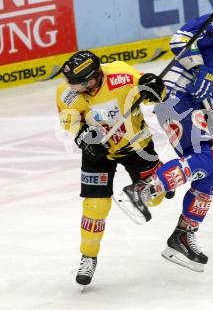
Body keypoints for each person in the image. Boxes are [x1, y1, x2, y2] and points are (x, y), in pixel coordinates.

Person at [123, 0, 213, 272]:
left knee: (211, 174)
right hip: (175, 96)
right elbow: (179, 39)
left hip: (197, 107)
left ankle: (183, 235)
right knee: (202, 159)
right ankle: (143, 189)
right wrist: (199, 69)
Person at [56, 50, 167, 286]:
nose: (72, 88)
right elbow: (70, 121)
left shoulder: (121, 75)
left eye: (78, 83)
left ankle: (143, 187)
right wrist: (83, 138)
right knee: (95, 206)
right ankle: (88, 256)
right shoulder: (67, 92)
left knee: (158, 196)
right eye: (71, 82)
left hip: (135, 144)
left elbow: (153, 95)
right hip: (98, 151)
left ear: (94, 76)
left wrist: (156, 87)